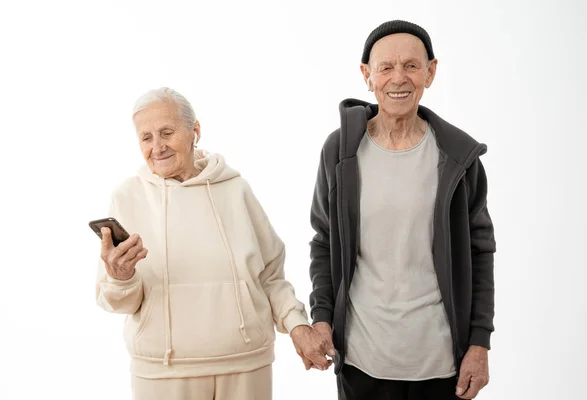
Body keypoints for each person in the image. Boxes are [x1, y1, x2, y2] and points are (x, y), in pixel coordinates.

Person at [95, 87, 331, 400]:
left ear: (195, 132)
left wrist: (298, 326)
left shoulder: (236, 190)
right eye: (146, 137)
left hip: (247, 366)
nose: (158, 146)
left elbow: (270, 275)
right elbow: (117, 300)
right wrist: (120, 277)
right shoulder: (127, 197)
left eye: (167, 132)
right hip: (163, 373)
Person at [307, 20, 497, 400]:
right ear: (367, 75)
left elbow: (481, 253)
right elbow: (324, 241)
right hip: (362, 357)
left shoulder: (458, 159)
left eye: (411, 66)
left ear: (431, 72)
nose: (399, 78)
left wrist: (479, 342)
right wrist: (322, 317)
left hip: (440, 360)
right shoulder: (340, 152)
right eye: (386, 67)